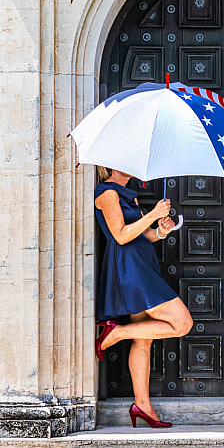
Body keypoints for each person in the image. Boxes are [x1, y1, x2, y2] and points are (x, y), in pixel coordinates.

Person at [93, 166, 193, 428]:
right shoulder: (107, 194)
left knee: (144, 340)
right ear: (111, 164)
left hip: (143, 264)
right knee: (182, 324)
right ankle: (114, 334)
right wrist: (152, 214)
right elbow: (121, 236)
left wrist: (160, 230)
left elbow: (142, 236)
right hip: (131, 270)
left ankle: (142, 405)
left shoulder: (130, 195)